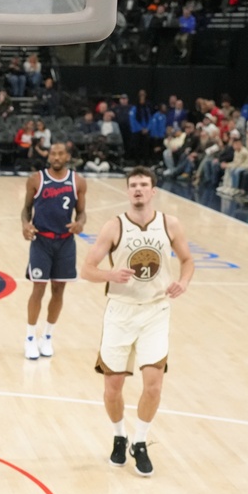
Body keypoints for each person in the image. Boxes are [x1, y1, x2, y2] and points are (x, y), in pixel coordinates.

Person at [81, 167, 194, 476]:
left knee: (154, 385)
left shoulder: (170, 224)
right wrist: (110, 274)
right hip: (121, 311)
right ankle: (119, 436)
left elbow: (187, 260)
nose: (138, 189)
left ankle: (140, 442)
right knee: (113, 387)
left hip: (156, 311)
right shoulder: (113, 227)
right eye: (133, 185)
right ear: (127, 190)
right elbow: (87, 269)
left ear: (153, 190)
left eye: (144, 184)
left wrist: (183, 282)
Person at [21, 142, 88, 359]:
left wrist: (80, 224)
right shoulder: (36, 179)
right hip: (41, 241)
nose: (56, 157)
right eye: (53, 154)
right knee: (38, 288)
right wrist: (25, 224)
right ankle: (30, 338)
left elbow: (81, 212)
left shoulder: (78, 181)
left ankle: (47, 336)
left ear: (67, 156)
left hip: (65, 242)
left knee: (59, 290)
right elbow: (26, 209)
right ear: (48, 156)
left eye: (60, 154)